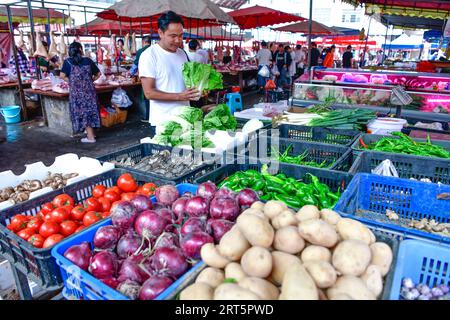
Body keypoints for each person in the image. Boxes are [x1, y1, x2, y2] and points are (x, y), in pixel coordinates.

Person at [139, 11, 199, 130]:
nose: (178, 40)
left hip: (186, 118)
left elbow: (184, 82)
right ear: (160, 33)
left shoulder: (182, 53)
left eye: (181, 35)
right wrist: (180, 96)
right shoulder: (149, 55)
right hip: (164, 122)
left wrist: (196, 89)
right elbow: (149, 93)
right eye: (173, 36)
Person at [60, 42, 101, 143]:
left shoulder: (67, 62)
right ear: (81, 50)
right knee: (90, 111)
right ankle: (91, 133)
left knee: (83, 113)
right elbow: (98, 74)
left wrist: (73, 82)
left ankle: (90, 137)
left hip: (77, 93)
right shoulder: (88, 60)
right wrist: (90, 81)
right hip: (89, 91)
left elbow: (62, 76)